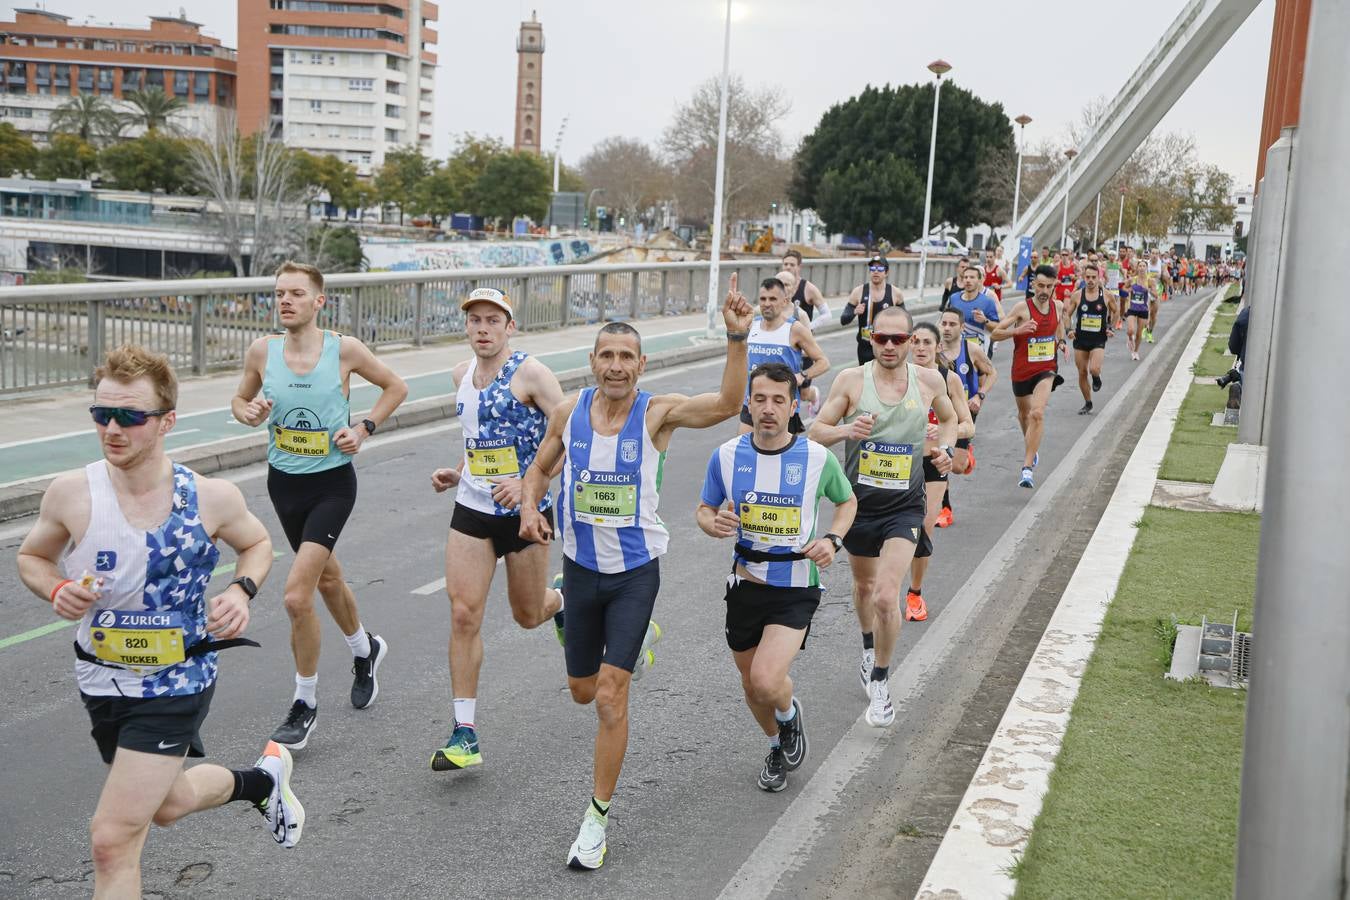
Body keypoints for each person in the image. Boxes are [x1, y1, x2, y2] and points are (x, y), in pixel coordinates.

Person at [16, 345, 306, 896]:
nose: (112, 429)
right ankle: (260, 781)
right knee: (168, 805)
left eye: (130, 416)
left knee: (112, 838)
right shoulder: (72, 493)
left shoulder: (209, 497)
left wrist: (241, 591)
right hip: (100, 678)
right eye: (102, 414)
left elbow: (258, 544)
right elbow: (31, 557)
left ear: (167, 421)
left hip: (176, 678)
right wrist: (55, 586)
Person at [517, 279, 755, 870]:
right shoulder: (570, 413)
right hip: (578, 573)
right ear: (592, 362)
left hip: (633, 575)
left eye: (627, 357)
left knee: (607, 695)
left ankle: (595, 821)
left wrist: (735, 337)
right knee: (579, 691)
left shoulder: (657, 414)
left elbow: (727, 405)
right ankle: (610, 636)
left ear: (641, 365)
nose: (616, 366)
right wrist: (528, 507)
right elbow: (539, 470)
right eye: (607, 355)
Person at [231, 260, 409, 750]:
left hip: (332, 484)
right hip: (283, 484)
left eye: (295, 293)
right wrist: (248, 412)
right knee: (326, 577)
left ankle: (304, 704)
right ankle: (365, 648)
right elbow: (240, 401)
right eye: (279, 293)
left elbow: (396, 387)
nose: (285, 300)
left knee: (295, 594)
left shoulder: (344, 350)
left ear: (318, 301)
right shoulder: (262, 351)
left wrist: (364, 428)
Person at [696, 362, 856, 792]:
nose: (768, 408)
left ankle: (787, 716)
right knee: (752, 686)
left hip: (796, 585)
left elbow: (847, 502)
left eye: (778, 401)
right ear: (748, 402)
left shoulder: (816, 458)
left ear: (792, 407)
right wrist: (711, 523)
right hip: (745, 583)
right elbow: (705, 508)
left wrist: (832, 540)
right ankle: (777, 741)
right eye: (760, 399)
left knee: (767, 680)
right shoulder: (726, 456)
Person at [426, 288, 566, 772]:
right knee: (464, 613)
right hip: (473, 508)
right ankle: (464, 731)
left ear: (511, 327)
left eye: (492, 320)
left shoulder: (531, 374)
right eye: (474, 321)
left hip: (526, 513)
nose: (482, 328)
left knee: (529, 615)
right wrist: (460, 472)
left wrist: (527, 484)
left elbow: (570, 434)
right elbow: (480, 440)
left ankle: (561, 601)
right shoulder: (460, 376)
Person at [808, 305, 957, 727]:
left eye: (898, 339)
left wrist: (944, 450)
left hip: (904, 506)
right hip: (858, 504)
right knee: (863, 586)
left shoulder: (928, 380)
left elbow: (950, 421)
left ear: (911, 341)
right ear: (870, 338)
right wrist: (845, 431)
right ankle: (869, 645)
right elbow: (816, 431)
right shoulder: (851, 381)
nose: (889, 346)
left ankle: (881, 679)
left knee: (886, 596)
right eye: (881, 338)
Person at [904, 323, 974, 619]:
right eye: (916, 342)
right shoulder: (897, 376)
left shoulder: (949, 379)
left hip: (935, 461)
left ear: (937, 348)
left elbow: (968, 425)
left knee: (924, 525)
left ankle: (914, 594)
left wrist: (943, 429)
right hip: (899, 461)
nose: (920, 348)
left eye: (927, 343)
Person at [991, 264, 1066, 489]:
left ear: (1055, 286)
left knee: (1037, 413)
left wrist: (1061, 342)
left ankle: (1027, 468)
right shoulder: (1021, 308)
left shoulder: (1059, 306)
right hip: (1022, 370)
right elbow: (994, 334)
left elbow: (1059, 325)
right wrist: (1017, 331)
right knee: (1024, 415)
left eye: (1049, 287)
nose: (1044, 290)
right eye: (1040, 285)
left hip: (1046, 368)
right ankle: (1031, 447)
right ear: (1033, 284)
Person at [741, 276, 828, 434]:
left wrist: (802, 375)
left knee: (782, 456)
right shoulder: (751, 325)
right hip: (753, 403)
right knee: (743, 453)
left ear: (785, 301)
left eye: (773, 299)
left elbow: (823, 362)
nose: (767, 304)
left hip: (783, 407)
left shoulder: (795, 329)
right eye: (763, 299)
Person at [935, 307, 995, 527]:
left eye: (952, 324)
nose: (947, 328)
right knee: (939, 458)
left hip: (964, 413)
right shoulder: (934, 350)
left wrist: (980, 395)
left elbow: (991, 372)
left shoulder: (972, 350)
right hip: (940, 413)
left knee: (958, 466)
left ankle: (967, 456)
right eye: (944, 324)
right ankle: (944, 508)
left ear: (962, 327)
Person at [841, 254, 904, 365]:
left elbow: (904, 322)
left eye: (880, 269)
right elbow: (843, 320)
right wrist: (854, 312)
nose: (876, 272)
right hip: (865, 345)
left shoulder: (895, 293)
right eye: (872, 268)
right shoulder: (858, 291)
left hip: (886, 345)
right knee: (866, 378)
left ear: (886, 272)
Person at [1066, 262, 1112, 414]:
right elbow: (1067, 314)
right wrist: (1069, 329)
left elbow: (1116, 310)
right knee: (1082, 372)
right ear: (1084, 277)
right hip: (1080, 339)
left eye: (1094, 277)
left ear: (1099, 278)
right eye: (1088, 277)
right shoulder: (1077, 295)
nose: (1091, 280)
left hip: (1098, 339)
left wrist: (1109, 326)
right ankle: (1088, 402)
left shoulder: (1106, 295)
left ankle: (1097, 377)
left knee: (1094, 368)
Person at [946, 266, 1003, 356]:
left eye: (972, 277)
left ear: (979, 280)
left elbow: (997, 327)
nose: (968, 280)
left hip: (980, 352)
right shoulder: (954, 298)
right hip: (957, 349)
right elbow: (944, 321)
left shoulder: (988, 301)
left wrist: (985, 321)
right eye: (965, 277)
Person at [782, 249, 831, 330]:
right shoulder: (775, 285)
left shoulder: (809, 288)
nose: (788, 267)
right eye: (785, 264)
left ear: (799, 267)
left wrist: (808, 327)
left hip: (802, 339)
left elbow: (827, 315)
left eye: (792, 265)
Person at [1122, 260, 1156, 361]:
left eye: (1143, 266)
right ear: (1137, 268)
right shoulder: (1132, 280)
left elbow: (1156, 295)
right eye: (1140, 266)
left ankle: (1135, 352)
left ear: (1146, 268)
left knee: (1139, 333)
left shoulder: (1150, 281)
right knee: (1130, 330)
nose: (1141, 268)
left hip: (1143, 309)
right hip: (1132, 308)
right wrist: (1128, 290)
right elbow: (1123, 288)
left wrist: (1148, 290)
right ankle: (1129, 338)